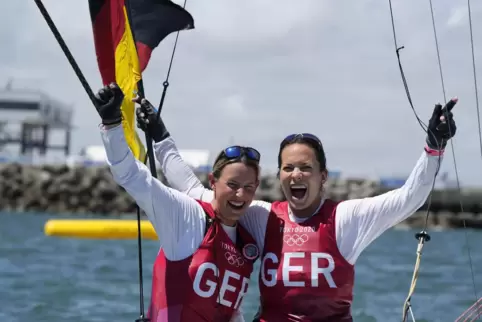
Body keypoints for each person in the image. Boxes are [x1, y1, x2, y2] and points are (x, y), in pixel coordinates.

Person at [136, 95, 458, 321]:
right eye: (288, 168)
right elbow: (197, 191)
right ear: (279, 176)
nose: (297, 175)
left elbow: (408, 198)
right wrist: (160, 136)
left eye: (305, 167)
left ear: (322, 177)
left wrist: (434, 147)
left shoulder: (344, 219)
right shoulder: (261, 217)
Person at [94, 83, 263, 322]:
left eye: (248, 188)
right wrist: (112, 125)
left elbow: (232, 312)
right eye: (232, 185)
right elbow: (132, 176)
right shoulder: (187, 216)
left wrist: (160, 136)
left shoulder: (246, 239)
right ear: (213, 181)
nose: (240, 196)